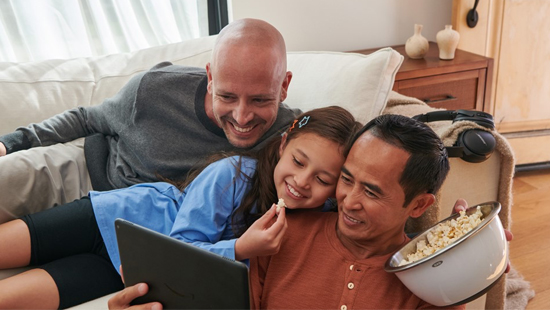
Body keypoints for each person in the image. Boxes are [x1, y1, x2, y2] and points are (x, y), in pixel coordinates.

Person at [109, 114, 509, 310]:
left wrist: (473, 258)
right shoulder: (282, 236)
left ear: (419, 205)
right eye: (346, 179)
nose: (349, 200)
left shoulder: (425, 279)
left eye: (371, 191)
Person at [0, 106, 360, 309]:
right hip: (113, 217)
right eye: (298, 161)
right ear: (283, 145)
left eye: (324, 179)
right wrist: (239, 248)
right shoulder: (233, 175)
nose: (302, 181)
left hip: (131, 271)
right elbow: (181, 243)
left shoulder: (318, 221)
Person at [0, 18, 297, 223]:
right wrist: (9, 143)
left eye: (260, 100)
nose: (242, 117)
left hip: (124, 221)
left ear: (284, 86)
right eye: (228, 97)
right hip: (81, 172)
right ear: (210, 78)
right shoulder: (154, 89)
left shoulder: (293, 138)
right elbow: (87, 118)